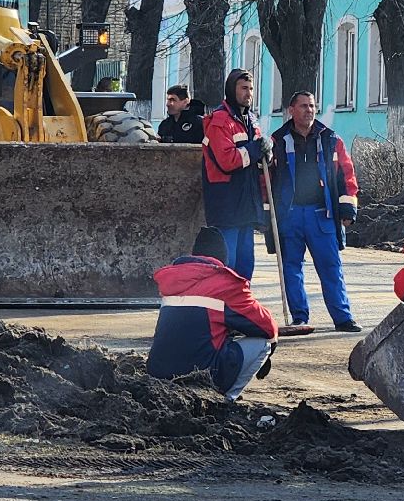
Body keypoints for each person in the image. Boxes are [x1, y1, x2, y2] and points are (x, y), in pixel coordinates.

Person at [269, 90, 361, 332]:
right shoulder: (277, 141)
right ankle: (300, 318)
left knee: (331, 267)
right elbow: (265, 181)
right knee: (291, 268)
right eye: (303, 106)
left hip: (322, 214)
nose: (309, 110)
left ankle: (343, 318)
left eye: (311, 106)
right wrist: (267, 215)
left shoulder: (331, 139)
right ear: (291, 110)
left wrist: (347, 210)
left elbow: (347, 176)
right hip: (290, 215)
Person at [148, 227, 277, 400]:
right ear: (222, 259)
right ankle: (227, 398)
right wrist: (272, 348)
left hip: (157, 374)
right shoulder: (226, 284)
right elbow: (268, 328)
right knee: (262, 344)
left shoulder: (171, 281)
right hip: (199, 376)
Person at [200, 68, 268, 277]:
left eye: (251, 89)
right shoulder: (220, 121)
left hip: (245, 205)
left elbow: (256, 158)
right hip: (226, 205)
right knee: (228, 267)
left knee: (245, 266)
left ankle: (239, 307)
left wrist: (267, 153)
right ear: (232, 90)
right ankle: (224, 309)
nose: (249, 93)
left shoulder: (250, 120)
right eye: (244, 88)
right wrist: (256, 150)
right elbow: (227, 161)